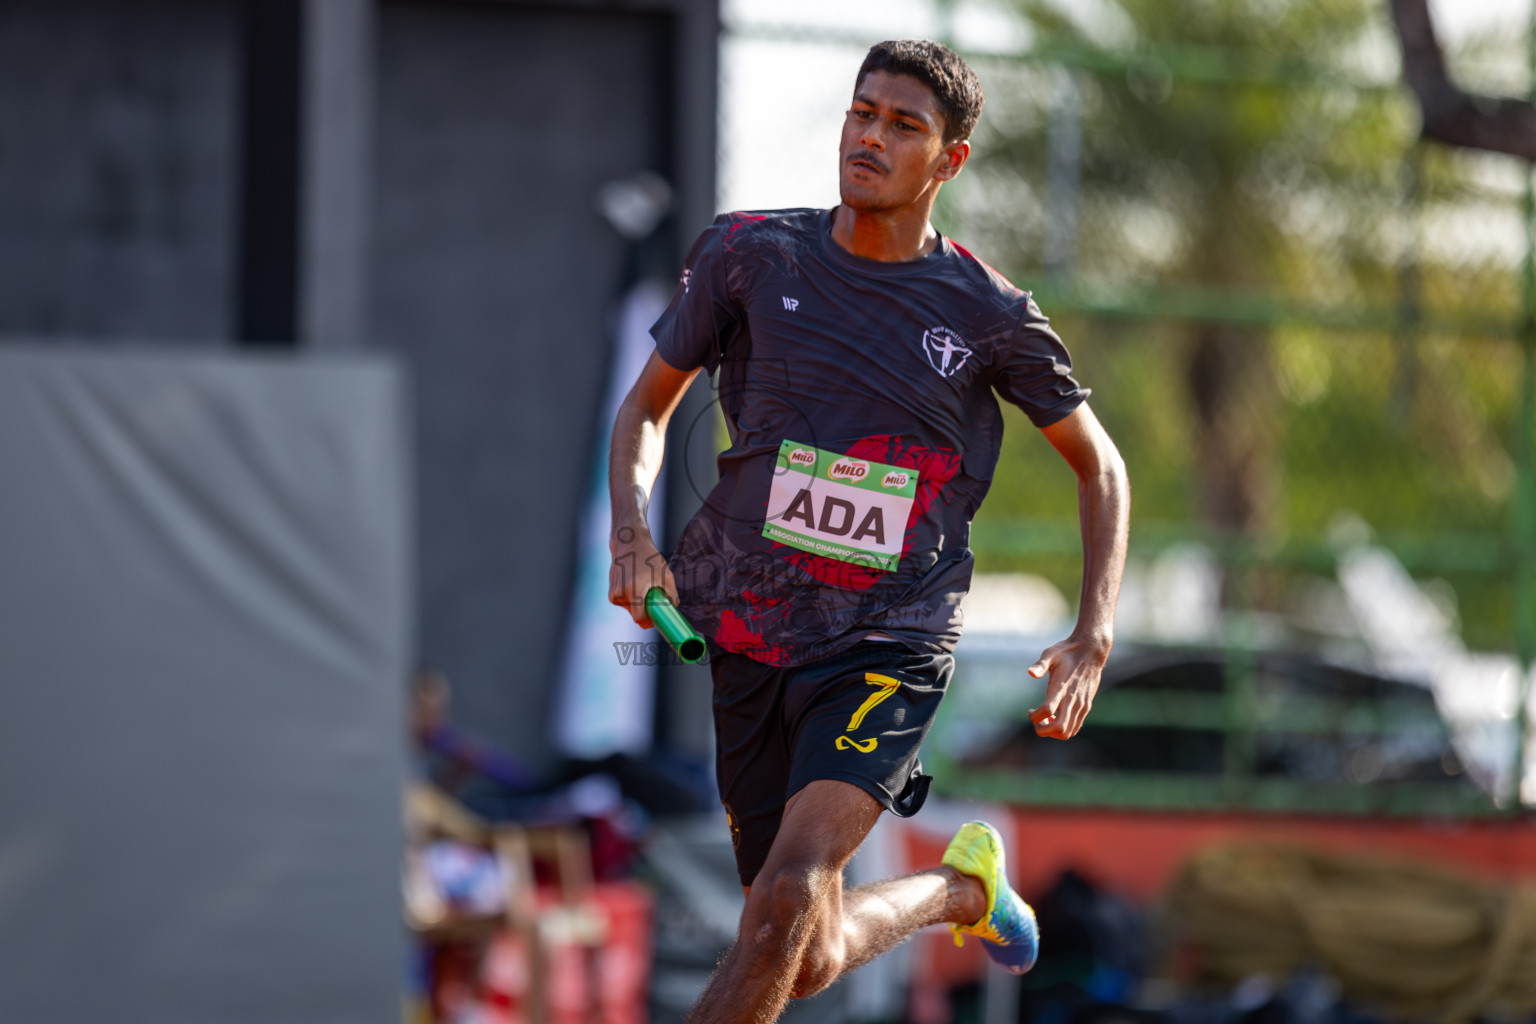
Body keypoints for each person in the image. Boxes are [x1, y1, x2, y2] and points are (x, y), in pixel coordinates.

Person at [608, 39, 1130, 1024]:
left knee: (789, 900)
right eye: (862, 113)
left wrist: (1090, 632)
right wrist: (633, 533)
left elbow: (1100, 465)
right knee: (800, 947)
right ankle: (964, 889)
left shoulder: (988, 313)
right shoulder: (747, 254)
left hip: (891, 635)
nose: (871, 136)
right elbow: (645, 411)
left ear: (950, 160)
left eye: (904, 126)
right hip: (753, 632)